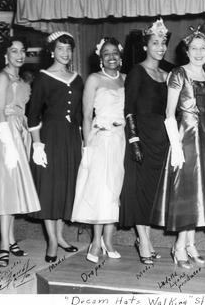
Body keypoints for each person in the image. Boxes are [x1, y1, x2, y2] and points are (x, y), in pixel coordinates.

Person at [150, 19, 205, 270]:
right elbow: (169, 113)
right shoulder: (178, 73)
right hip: (185, 137)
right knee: (186, 192)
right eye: (193, 48)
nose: (198, 52)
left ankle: (191, 244)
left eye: (203, 48)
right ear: (186, 50)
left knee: (199, 191)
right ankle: (179, 246)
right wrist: (177, 147)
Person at [27, 31, 83, 263]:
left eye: (69, 49)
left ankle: (60, 236)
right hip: (50, 136)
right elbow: (33, 113)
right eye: (60, 48)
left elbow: (80, 113)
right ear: (52, 51)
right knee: (50, 188)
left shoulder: (77, 77)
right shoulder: (43, 77)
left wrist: (83, 139)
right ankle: (51, 239)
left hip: (71, 137)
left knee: (64, 186)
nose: (65, 53)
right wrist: (37, 144)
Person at [0, 37, 41, 267]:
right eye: (14, 51)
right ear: (5, 54)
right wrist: (8, 144)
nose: (19, 55)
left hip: (21, 133)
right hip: (6, 134)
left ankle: (11, 239)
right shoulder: (2, 77)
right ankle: (4, 247)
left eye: (22, 51)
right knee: (7, 189)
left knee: (14, 188)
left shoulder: (22, 79)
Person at [119, 19, 169, 265]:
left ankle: (144, 238)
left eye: (163, 42)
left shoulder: (168, 74)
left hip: (163, 139)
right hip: (142, 137)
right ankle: (145, 242)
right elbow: (128, 110)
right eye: (155, 43)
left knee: (154, 193)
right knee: (139, 190)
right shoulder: (136, 72)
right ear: (146, 46)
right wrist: (134, 140)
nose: (160, 47)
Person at [71, 37, 125, 263]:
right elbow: (85, 116)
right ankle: (96, 241)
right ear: (100, 58)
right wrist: (87, 147)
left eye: (114, 52)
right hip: (100, 139)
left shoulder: (126, 79)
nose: (111, 57)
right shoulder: (94, 79)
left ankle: (108, 239)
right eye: (106, 53)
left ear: (120, 56)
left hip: (120, 139)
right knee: (101, 190)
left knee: (115, 189)